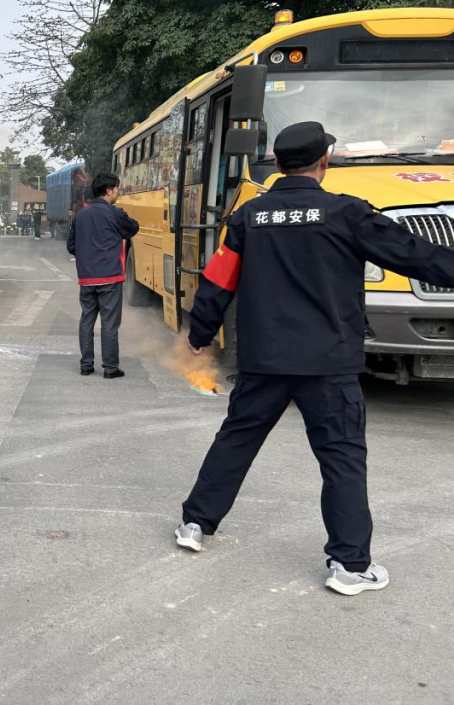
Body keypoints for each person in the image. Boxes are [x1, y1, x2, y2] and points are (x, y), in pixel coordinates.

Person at [177, 121, 454, 595]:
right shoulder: (346, 213)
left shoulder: (248, 217)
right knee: (342, 458)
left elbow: (217, 281)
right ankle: (349, 565)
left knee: (236, 442)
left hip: (263, 361)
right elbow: (413, 255)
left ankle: (195, 526)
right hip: (328, 363)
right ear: (324, 161)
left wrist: (200, 333)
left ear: (279, 165)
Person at [67, 172, 139, 378]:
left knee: (87, 320)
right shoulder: (114, 214)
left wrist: (87, 255)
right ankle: (110, 368)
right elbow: (133, 228)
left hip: (87, 278)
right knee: (109, 323)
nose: (117, 192)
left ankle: (86, 365)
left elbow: (71, 246)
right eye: (117, 189)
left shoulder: (80, 215)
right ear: (108, 191)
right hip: (110, 277)